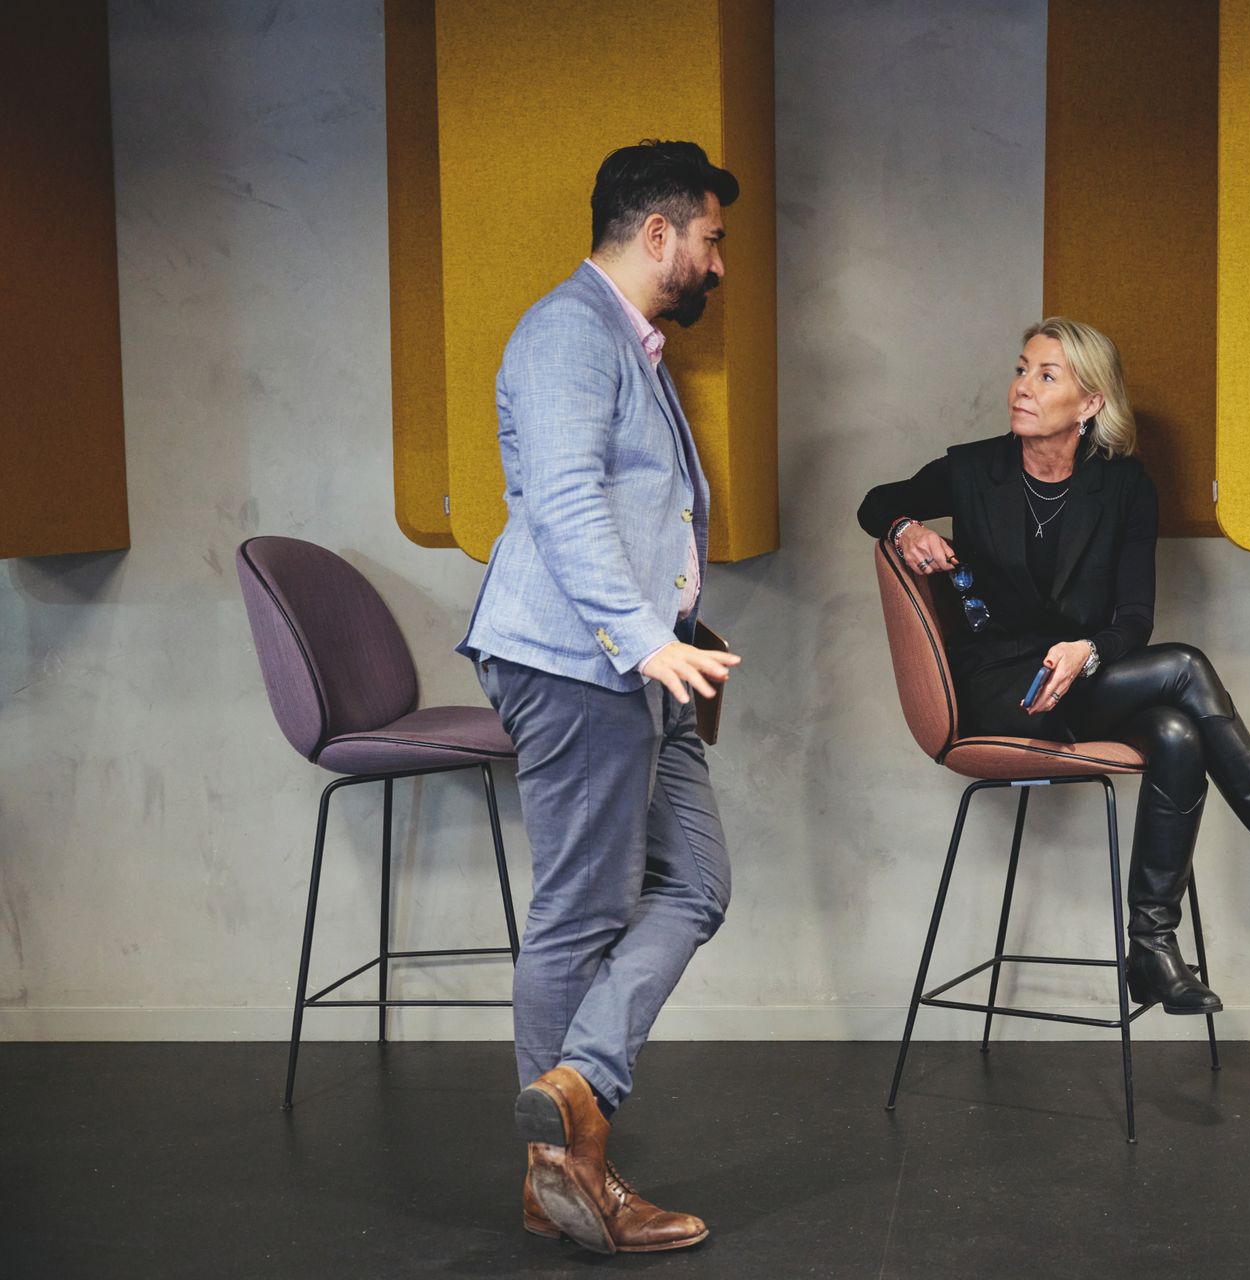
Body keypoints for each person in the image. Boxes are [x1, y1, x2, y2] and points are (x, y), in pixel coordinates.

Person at [857, 318, 1250, 1015]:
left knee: (1178, 735)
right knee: (1184, 667)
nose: (1022, 387)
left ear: (1090, 403)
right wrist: (906, 527)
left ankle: (1151, 948)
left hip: (1078, 681)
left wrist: (1086, 652)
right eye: (1022, 369)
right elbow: (876, 503)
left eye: (1046, 375)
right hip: (998, 687)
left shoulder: (1123, 488)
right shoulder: (973, 471)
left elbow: (1132, 619)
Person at [458, 140, 742, 1255]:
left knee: (697, 884)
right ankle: (560, 1180)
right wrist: (645, 637)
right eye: (711, 239)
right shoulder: (568, 331)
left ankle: (574, 1091)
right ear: (659, 232)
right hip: (580, 662)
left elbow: (625, 509)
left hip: (636, 662)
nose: (718, 263)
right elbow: (566, 501)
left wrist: (669, 636)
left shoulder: (628, 343)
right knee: (581, 910)